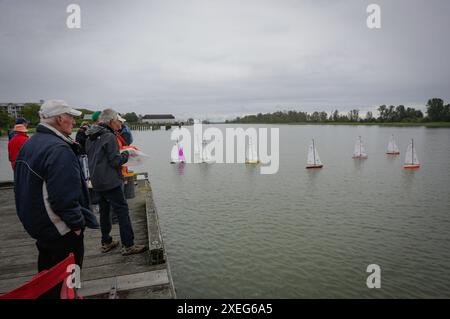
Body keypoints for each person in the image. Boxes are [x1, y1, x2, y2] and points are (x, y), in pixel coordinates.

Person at [14, 99, 99, 298]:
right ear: (60, 119)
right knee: (71, 273)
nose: (73, 122)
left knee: (48, 275)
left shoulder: (32, 143)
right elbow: (64, 198)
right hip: (62, 230)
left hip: (42, 227)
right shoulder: (59, 149)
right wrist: (77, 225)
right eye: (70, 117)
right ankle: (72, 294)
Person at [85, 109, 147, 256]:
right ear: (111, 121)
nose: (120, 123)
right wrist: (126, 153)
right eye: (118, 121)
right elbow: (115, 161)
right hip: (110, 181)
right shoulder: (109, 137)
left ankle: (106, 242)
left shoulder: (90, 136)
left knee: (104, 211)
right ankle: (128, 245)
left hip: (96, 181)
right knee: (122, 211)